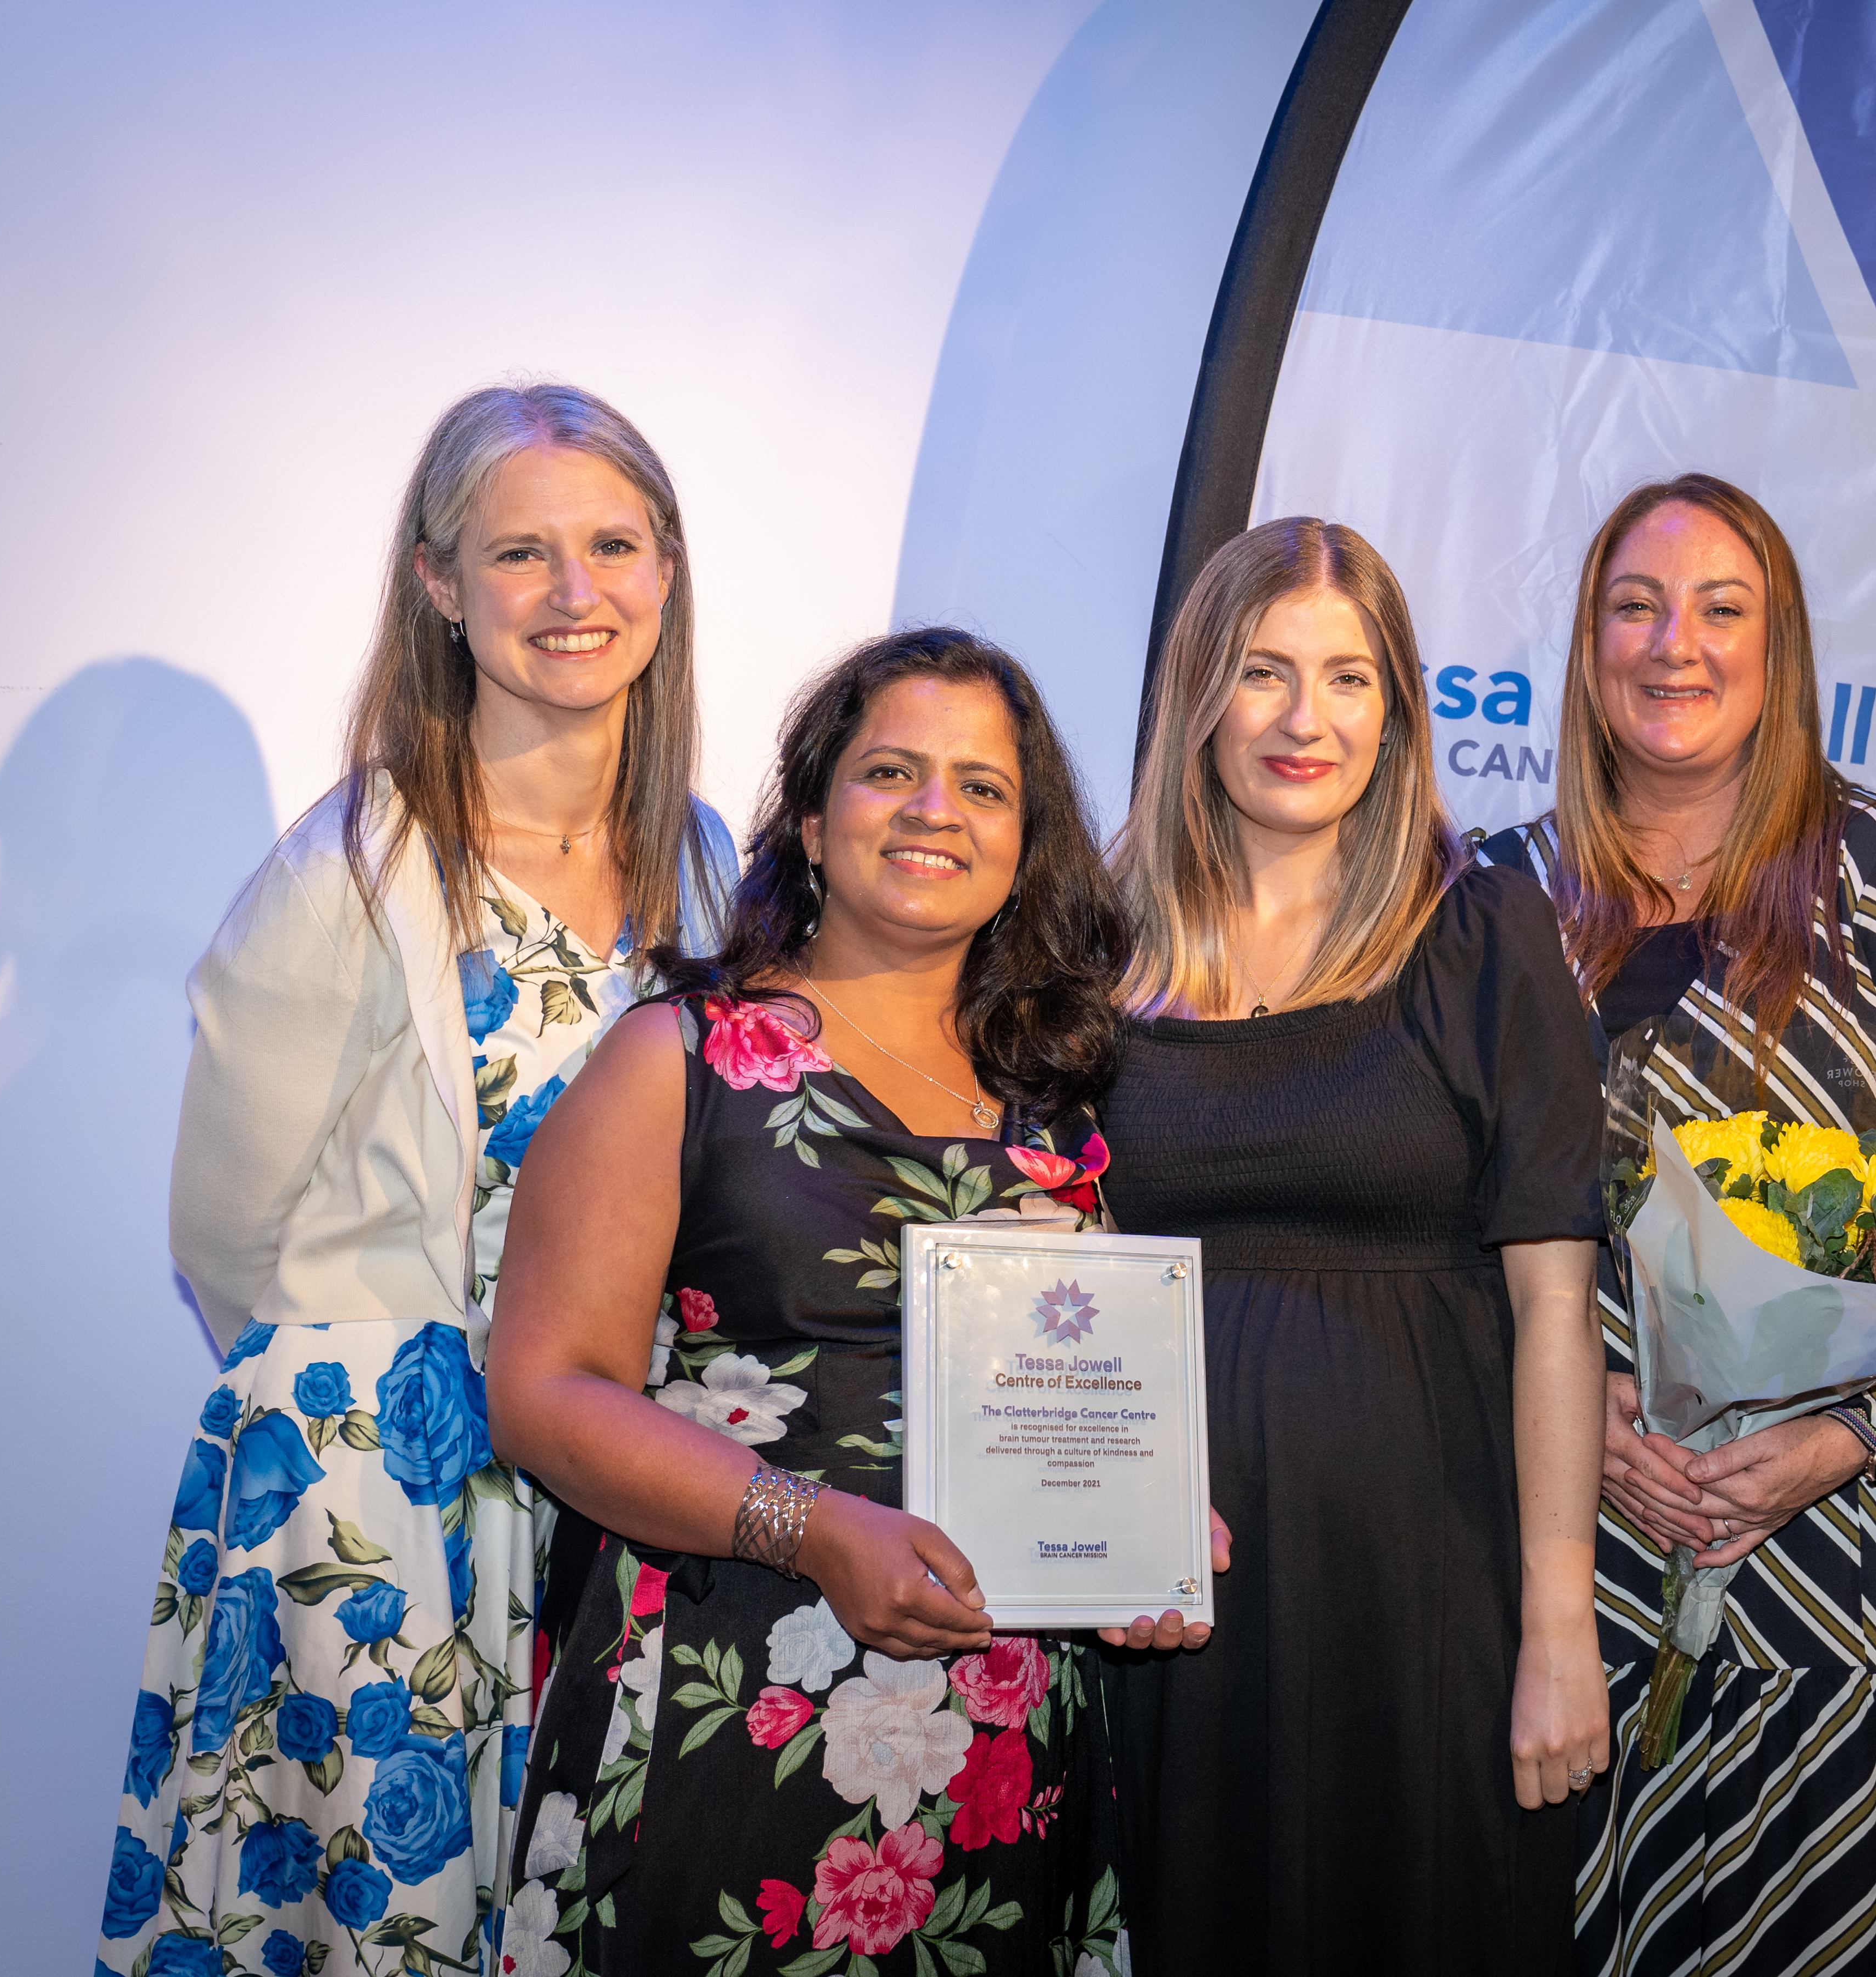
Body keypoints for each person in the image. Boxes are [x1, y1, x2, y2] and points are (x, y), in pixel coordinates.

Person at [98, 385, 737, 1973]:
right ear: (440, 583)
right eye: (521, 553)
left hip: (606, 1478)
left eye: (612, 545)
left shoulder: (713, 864)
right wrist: (380, 1406)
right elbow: (225, 1238)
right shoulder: (349, 869)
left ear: (667, 570)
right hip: (376, 1501)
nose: (575, 595)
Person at [482, 628, 1191, 1974]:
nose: (936, 810)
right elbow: (544, 1391)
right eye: (890, 772)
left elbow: (1089, 1396)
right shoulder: (675, 1058)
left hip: (999, 1738)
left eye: (983, 787)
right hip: (723, 1689)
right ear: (811, 819)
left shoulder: (1063, 1104)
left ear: (1024, 840)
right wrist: (811, 1530)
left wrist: (1147, 1511)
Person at [1478, 474, 1876, 1974]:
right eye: (1636, 607)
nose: (1677, 645)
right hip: (1565, 1568)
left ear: (1781, 653)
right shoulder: (1490, 900)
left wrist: (1851, 1427)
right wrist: (1586, 1417)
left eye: (1725, 609)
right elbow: (1437, 1232)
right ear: (1586, 648)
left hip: (1843, 1566)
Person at [1097, 517, 1609, 1973]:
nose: (1305, 719)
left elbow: (1559, 1309)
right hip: (1157, 1599)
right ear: (1199, 695)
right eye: (1262, 673)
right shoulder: (1096, 947)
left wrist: (1557, 1625)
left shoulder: (1487, 934)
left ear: (1397, 712)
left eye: (1349, 677)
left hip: (1424, 1578)